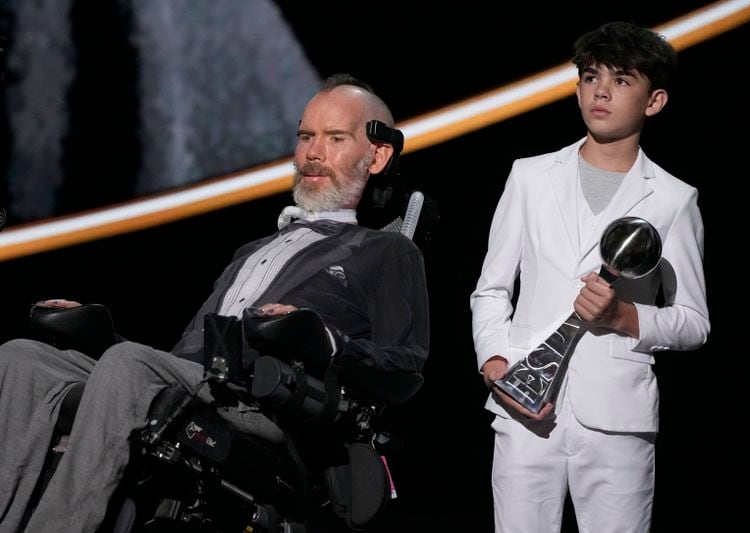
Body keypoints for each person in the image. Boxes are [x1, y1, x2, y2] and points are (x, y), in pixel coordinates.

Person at [0, 73, 429, 532]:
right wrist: (103, 336)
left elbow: (404, 368)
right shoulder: (253, 250)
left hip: (257, 404)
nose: (312, 153)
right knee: (21, 359)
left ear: (378, 155)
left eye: (335, 138)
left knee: (127, 365)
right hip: (197, 380)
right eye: (306, 136)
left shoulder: (385, 251)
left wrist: (323, 339)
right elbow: (179, 360)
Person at [471, 21, 710, 533]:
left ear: (655, 100)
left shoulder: (674, 198)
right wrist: (496, 364)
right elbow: (491, 289)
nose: (600, 90)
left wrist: (622, 316)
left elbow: (693, 322)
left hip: (617, 419)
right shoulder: (529, 176)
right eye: (590, 76)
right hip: (524, 406)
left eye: (622, 80)